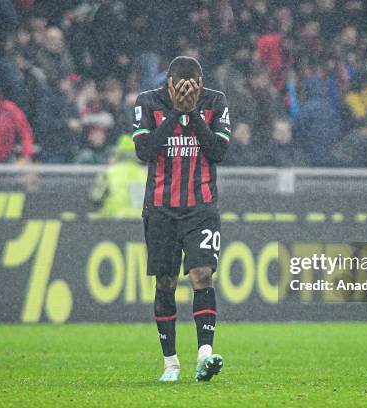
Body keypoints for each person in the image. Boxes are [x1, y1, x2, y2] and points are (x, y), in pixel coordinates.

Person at [132, 56, 230, 382]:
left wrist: (193, 115)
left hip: (201, 208)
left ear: (202, 84)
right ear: (169, 84)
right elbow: (144, 151)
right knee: (166, 283)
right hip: (160, 209)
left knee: (202, 274)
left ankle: (204, 354)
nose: (190, 92)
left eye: (195, 88)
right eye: (182, 88)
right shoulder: (148, 102)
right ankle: (170, 363)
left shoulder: (215, 102)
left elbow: (218, 152)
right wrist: (176, 113)